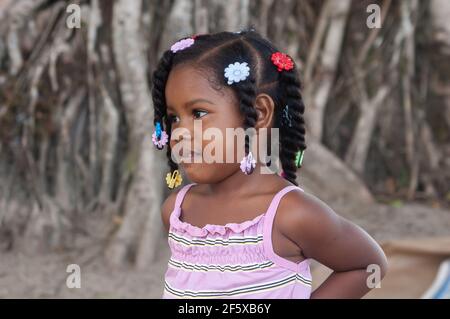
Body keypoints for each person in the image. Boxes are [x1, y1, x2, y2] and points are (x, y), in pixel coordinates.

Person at [151, 30, 388, 299]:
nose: (180, 132)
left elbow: (368, 266)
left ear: (260, 113)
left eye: (199, 113)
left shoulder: (289, 213)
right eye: (174, 118)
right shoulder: (178, 210)